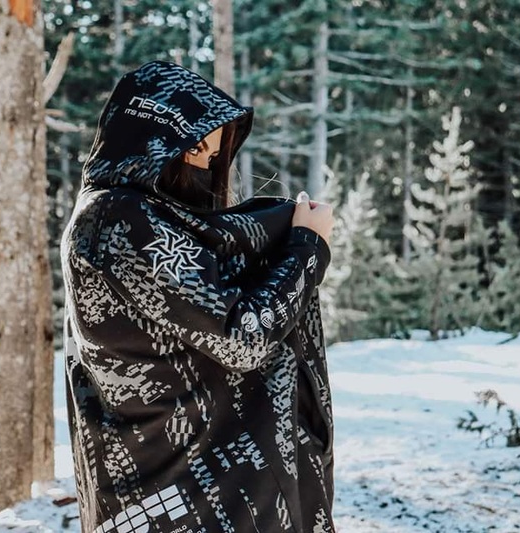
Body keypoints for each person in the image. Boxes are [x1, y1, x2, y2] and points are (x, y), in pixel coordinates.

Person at [61, 60, 336, 533]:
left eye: (213, 153)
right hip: (180, 495)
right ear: (148, 143)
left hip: (185, 495)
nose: (208, 164)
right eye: (193, 149)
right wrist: (306, 249)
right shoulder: (118, 218)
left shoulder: (113, 217)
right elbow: (242, 338)